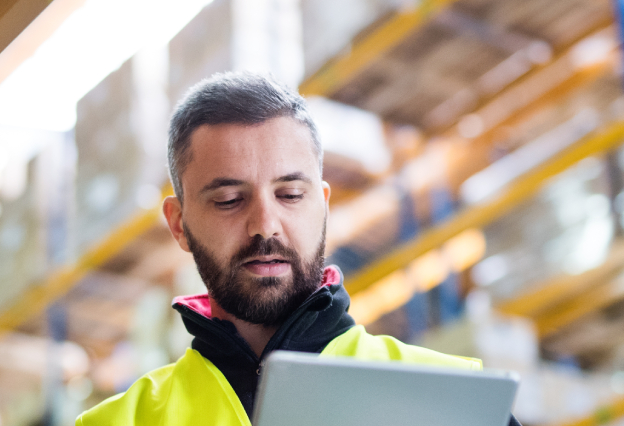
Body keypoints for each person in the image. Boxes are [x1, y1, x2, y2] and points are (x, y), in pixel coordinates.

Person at [76, 72, 520, 426]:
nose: (265, 224)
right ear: (179, 225)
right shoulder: (117, 423)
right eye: (230, 200)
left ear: (323, 207)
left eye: (289, 195)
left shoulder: (454, 402)